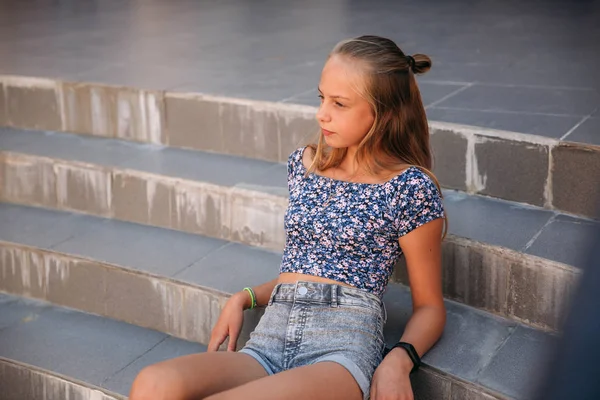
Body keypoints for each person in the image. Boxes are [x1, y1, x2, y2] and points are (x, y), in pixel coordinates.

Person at [129, 35, 447, 400]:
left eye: (339, 103)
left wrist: (399, 360)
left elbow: (430, 308)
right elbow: (308, 265)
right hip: (269, 339)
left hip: (340, 350)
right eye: (322, 97)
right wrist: (245, 297)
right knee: (152, 384)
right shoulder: (306, 164)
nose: (321, 113)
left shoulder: (409, 187)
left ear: (384, 113)